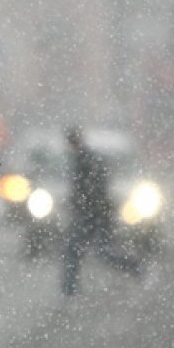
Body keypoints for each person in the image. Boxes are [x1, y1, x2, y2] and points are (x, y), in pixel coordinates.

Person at [60, 125, 141, 296]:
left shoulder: (86, 161)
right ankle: (69, 290)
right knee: (84, 251)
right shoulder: (84, 160)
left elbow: (92, 190)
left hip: (94, 215)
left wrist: (83, 206)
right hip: (94, 214)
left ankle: (136, 267)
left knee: (91, 252)